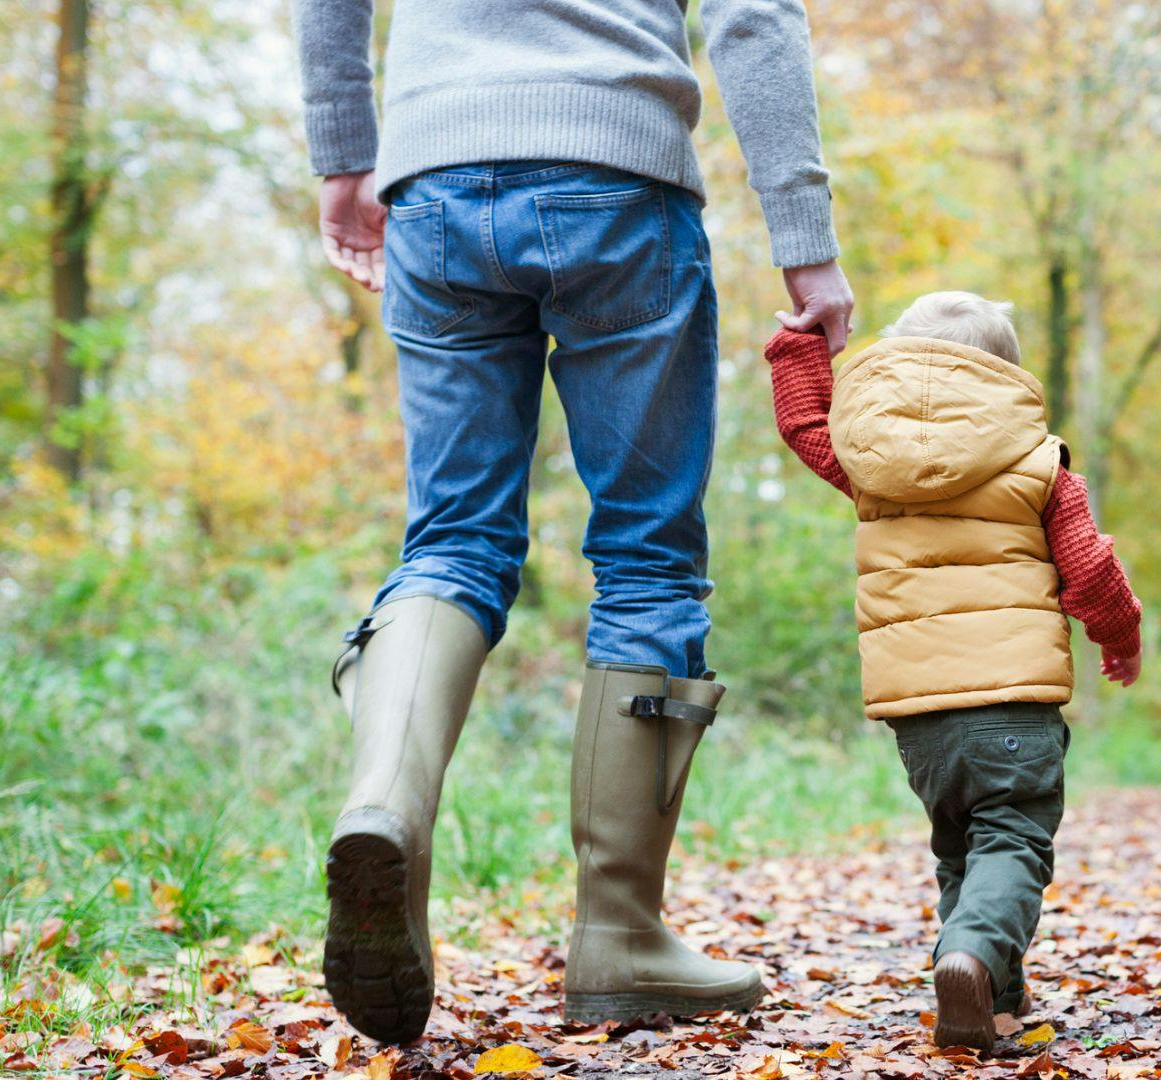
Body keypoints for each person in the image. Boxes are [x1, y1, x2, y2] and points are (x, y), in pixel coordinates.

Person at [293, 0, 855, 1045]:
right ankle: (620, 935)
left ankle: (385, 803)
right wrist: (805, 241)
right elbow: (753, 15)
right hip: (618, 174)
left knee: (452, 542)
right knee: (647, 562)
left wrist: (343, 154)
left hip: (434, 174)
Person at [762, 291, 1143, 1050]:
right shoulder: (1039, 462)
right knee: (1014, 842)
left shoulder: (872, 458)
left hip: (918, 712)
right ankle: (966, 958)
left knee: (961, 846)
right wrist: (1120, 635)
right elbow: (1090, 569)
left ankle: (988, 1005)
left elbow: (804, 424)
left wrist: (798, 347)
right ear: (1005, 375)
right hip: (1012, 700)